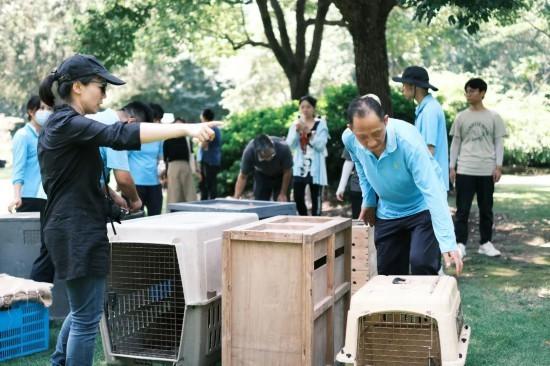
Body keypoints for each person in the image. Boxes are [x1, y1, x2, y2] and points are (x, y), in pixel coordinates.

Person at [37, 53, 220, 366]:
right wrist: (184, 129)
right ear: (78, 87)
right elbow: (119, 135)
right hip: (75, 230)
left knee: (84, 310)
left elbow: (73, 177)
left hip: (73, 227)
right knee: (86, 318)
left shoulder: (64, 125)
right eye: (100, 87)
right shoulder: (68, 123)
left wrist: (111, 197)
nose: (105, 95)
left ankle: (57, 362)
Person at [342, 95, 462, 276]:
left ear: (386, 121)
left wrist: (448, 242)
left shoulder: (408, 142)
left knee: (421, 263)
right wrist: (369, 200)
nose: (372, 143)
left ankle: (426, 304)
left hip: (421, 206)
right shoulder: (349, 139)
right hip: (389, 210)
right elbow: (360, 164)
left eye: (377, 133)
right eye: (363, 137)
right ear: (351, 129)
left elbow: (433, 191)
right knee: (388, 273)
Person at [450, 78, 507, 258]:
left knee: (486, 209)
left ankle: (485, 243)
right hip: (465, 168)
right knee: (462, 210)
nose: (469, 94)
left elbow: (499, 142)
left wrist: (498, 166)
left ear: (482, 93)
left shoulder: (493, 117)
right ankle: (460, 244)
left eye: (473, 91)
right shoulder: (461, 117)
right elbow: (455, 143)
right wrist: (452, 166)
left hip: (486, 169)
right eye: (467, 91)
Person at [393, 66, 449, 191]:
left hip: (432, 183)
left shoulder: (430, 110)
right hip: (430, 181)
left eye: (404, 84)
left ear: (414, 86)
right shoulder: (426, 108)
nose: (402, 88)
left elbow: (429, 150)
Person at [87, 104, 144, 212]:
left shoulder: (102, 117)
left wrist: (113, 195)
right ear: (131, 122)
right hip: (70, 198)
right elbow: (123, 179)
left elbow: (90, 176)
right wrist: (136, 200)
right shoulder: (117, 128)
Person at [286, 95, 329, 216]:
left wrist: (308, 132)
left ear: (313, 108)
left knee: (316, 198)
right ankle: (304, 219)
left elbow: (320, 145)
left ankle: (317, 222)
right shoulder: (295, 124)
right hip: (300, 167)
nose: (305, 109)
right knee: (297, 197)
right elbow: (290, 145)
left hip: (316, 167)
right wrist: (296, 130)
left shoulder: (321, 124)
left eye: (308, 107)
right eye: (302, 107)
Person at [8, 95, 50, 213]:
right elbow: (18, 168)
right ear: (31, 111)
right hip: (29, 197)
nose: (46, 112)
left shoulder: (47, 136)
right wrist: (17, 195)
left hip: (47, 197)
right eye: (41, 108)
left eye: (48, 108)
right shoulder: (23, 135)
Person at [127, 102, 164, 215]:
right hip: (135, 184)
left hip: (154, 183)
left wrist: (163, 170)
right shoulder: (134, 135)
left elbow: (160, 158)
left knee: (156, 218)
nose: (158, 122)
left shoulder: (160, 136)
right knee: (135, 220)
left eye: (160, 119)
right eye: (156, 119)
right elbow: (123, 159)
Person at [233, 134, 292, 201]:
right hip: (262, 176)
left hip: (281, 176)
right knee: (260, 201)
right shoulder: (249, 152)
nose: (269, 159)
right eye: (264, 158)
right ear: (257, 153)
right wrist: (236, 197)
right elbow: (243, 176)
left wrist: (283, 193)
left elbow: (287, 171)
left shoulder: (283, 148)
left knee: (282, 203)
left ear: (272, 145)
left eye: (271, 155)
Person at [163, 117, 197, 203]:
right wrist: (166, 174)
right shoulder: (167, 140)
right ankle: (173, 212)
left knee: (189, 193)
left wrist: (195, 169)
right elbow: (165, 159)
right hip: (173, 166)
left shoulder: (187, 139)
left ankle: (191, 211)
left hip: (185, 166)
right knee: (174, 193)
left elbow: (191, 155)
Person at [198, 108, 222, 200]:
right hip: (215, 159)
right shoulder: (216, 129)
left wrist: (199, 143)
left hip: (209, 160)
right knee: (212, 183)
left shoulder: (209, 129)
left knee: (207, 184)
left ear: (204, 117)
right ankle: (212, 201)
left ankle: (207, 203)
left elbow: (204, 144)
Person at [336, 149, 362, 219]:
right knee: (359, 224)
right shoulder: (352, 138)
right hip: (359, 187)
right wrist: (341, 187)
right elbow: (349, 160)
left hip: (380, 190)